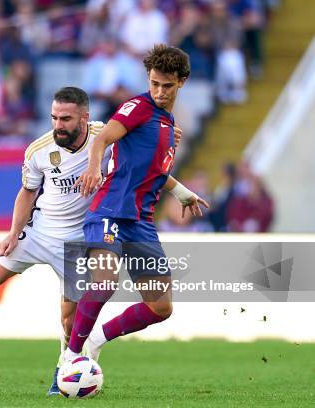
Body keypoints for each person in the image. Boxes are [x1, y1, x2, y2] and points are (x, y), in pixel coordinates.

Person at [0, 87, 189, 395]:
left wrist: (168, 152)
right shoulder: (38, 150)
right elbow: (28, 192)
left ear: (84, 118)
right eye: (54, 118)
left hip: (78, 242)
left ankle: (61, 376)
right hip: (38, 232)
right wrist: (13, 231)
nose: (58, 125)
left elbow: (143, 165)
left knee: (70, 320)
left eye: (66, 119)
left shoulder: (106, 137)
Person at [63, 44, 209, 364]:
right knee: (104, 283)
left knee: (161, 307)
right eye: (154, 83)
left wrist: (181, 192)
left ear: (181, 82)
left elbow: (153, 172)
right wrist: (92, 168)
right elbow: (102, 138)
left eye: (167, 85)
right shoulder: (137, 107)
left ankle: (96, 341)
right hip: (109, 211)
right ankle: (71, 359)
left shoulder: (169, 127)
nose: (159, 91)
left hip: (140, 222)